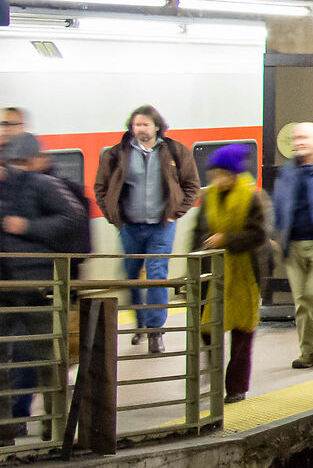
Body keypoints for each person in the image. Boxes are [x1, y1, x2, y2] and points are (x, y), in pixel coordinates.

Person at [0, 134, 90, 442]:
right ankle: (4, 430)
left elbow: (73, 217)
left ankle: (57, 427)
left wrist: (28, 227)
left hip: (37, 288)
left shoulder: (41, 184)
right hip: (4, 290)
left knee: (47, 361)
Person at [96, 106, 204, 357]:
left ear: (157, 126)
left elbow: (192, 185)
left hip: (161, 226)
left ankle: (156, 331)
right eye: (136, 124)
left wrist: (175, 212)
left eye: (145, 124)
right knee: (131, 275)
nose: (140, 129)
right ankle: (140, 322)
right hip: (130, 226)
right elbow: (101, 187)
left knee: (157, 275)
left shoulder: (176, 151)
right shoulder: (116, 154)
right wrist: (114, 217)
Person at [197, 144, 271, 404]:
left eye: (220, 173)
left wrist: (226, 239)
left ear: (233, 173)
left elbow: (259, 235)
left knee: (242, 332)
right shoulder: (209, 198)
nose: (215, 179)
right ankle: (213, 376)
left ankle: (236, 388)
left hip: (245, 273)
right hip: (213, 273)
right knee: (207, 328)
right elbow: (197, 235)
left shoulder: (252, 197)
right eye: (213, 173)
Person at [271, 122, 313, 370]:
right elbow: (279, 202)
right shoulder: (289, 170)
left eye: (304, 138)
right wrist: (274, 233)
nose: (298, 142)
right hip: (294, 244)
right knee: (302, 302)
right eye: (296, 138)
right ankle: (309, 352)